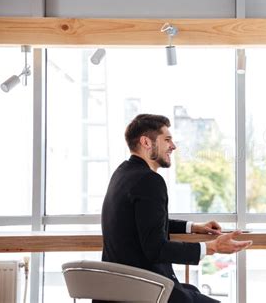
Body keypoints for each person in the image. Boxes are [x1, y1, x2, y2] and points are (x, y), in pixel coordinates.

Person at [101, 114, 252, 303]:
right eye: (167, 140)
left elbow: (144, 223)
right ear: (146, 142)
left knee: (192, 290)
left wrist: (192, 227)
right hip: (146, 290)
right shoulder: (149, 181)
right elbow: (156, 249)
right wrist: (212, 246)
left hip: (119, 289)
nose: (173, 146)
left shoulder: (122, 173)